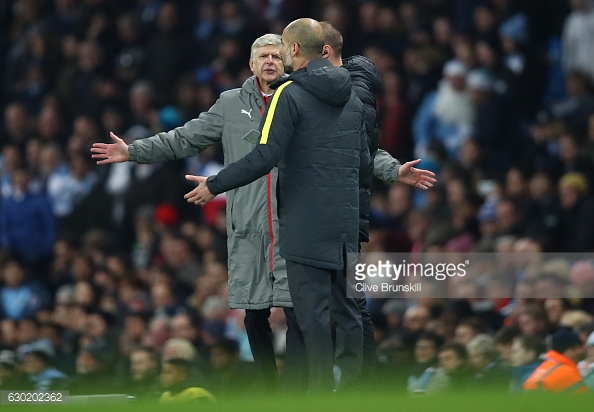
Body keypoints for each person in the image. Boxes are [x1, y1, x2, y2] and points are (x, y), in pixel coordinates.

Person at [91, 33, 300, 392]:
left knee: (298, 313)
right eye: (263, 56)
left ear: (287, 64)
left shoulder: (299, 101)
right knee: (254, 313)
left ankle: (301, 389)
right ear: (251, 64)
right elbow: (184, 138)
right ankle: (271, 392)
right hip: (247, 224)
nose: (270, 62)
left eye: (277, 57)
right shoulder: (231, 104)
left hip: (293, 223)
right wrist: (135, 151)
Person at [185, 18, 370, 392]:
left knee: (312, 316)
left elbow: (266, 154)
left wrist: (216, 184)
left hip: (303, 225)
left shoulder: (290, 93)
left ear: (295, 51)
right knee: (349, 311)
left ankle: (315, 396)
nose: (278, 56)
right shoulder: (352, 94)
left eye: (282, 48)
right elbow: (363, 160)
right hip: (345, 221)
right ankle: (355, 391)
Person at [320, 21, 437, 384]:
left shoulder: (347, 91)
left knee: (347, 306)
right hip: (316, 213)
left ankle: (359, 386)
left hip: (335, 214)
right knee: (327, 307)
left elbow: (362, 149)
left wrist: (391, 169)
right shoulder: (305, 90)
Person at [523, 327, 588, 393]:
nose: (581, 351)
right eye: (578, 348)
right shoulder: (568, 372)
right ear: (568, 350)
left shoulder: (546, 366)